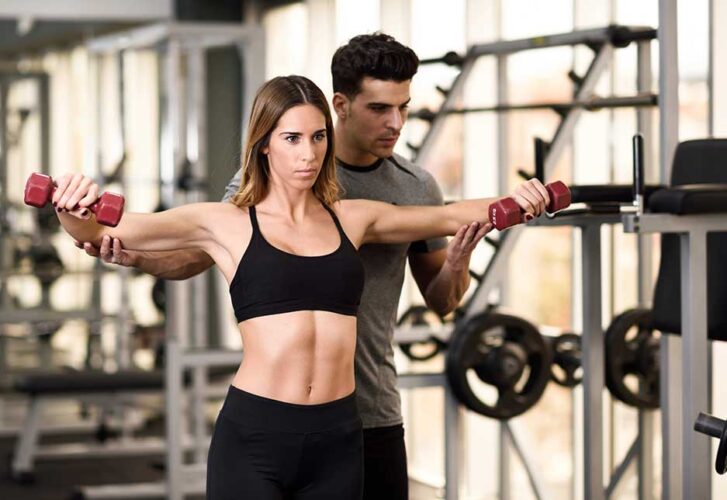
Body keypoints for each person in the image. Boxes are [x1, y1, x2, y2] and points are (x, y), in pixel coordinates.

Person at [75, 34, 550, 500]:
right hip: (262, 422)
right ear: (340, 106)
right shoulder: (248, 202)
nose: (396, 122)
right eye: (380, 108)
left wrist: (523, 200)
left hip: (362, 414)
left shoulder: (384, 201)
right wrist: (106, 234)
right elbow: (186, 249)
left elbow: (447, 247)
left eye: (403, 107)